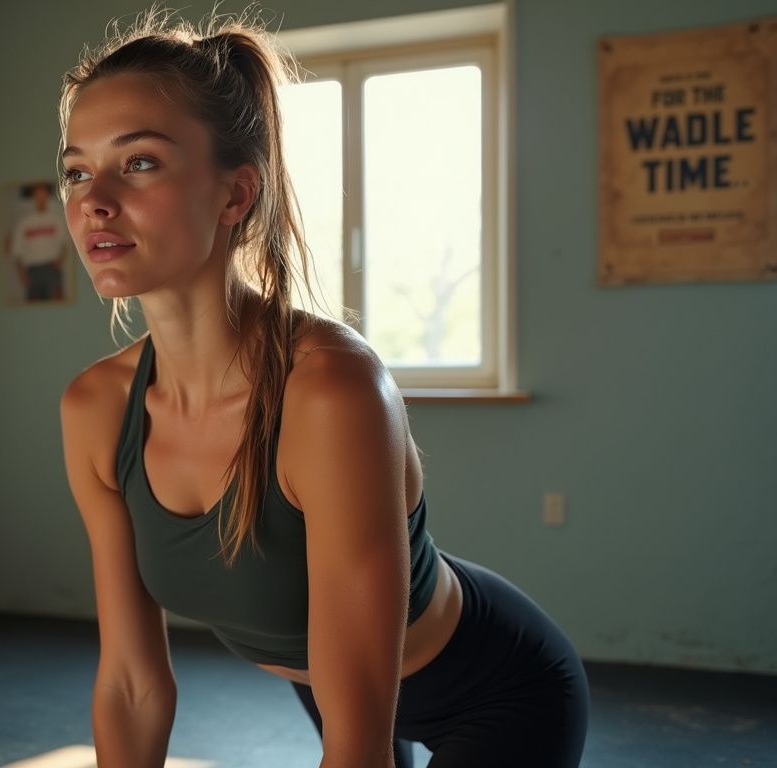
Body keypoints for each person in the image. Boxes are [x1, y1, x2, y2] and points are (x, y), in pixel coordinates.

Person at [56, 7, 589, 767]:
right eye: (77, 169)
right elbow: (134, 685)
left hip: (497, 690)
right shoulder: (95, 409)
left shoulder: (332, 391)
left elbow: (358, 745)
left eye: (139, 162)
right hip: (331, 680)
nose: (92, 200)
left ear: (237, 195)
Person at [9, 181, 68, 301]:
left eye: (43, 194)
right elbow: (17, 251)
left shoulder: (56, 220)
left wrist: (60, 262)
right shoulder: (25, 223)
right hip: (32, 270)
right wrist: (22, 275)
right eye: (38, 194)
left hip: (51, 268)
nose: (41, 197)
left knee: (55, 304)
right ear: (34, 196)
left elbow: (65, 243)